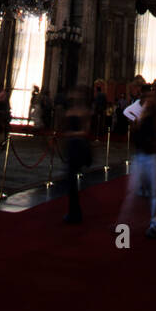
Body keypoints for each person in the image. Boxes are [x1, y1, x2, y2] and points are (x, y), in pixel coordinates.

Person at [119, 84, 156, 239]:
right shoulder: (141, 114)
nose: (148, 100)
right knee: (131, 191)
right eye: (147, 97)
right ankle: (123, 225)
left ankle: (155, 225)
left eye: (151, 97)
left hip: (153, 157)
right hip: (140, 155)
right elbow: (136, 134)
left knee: (155, 192)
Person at [62, 86, 91, 224]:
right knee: (70, 180)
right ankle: (74, 211)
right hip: (71, 146)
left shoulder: (84, 112)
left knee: (71, 179)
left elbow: (86, 132)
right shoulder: (70, 110)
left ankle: (75, 213)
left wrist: (72, 134)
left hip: (78, 146)